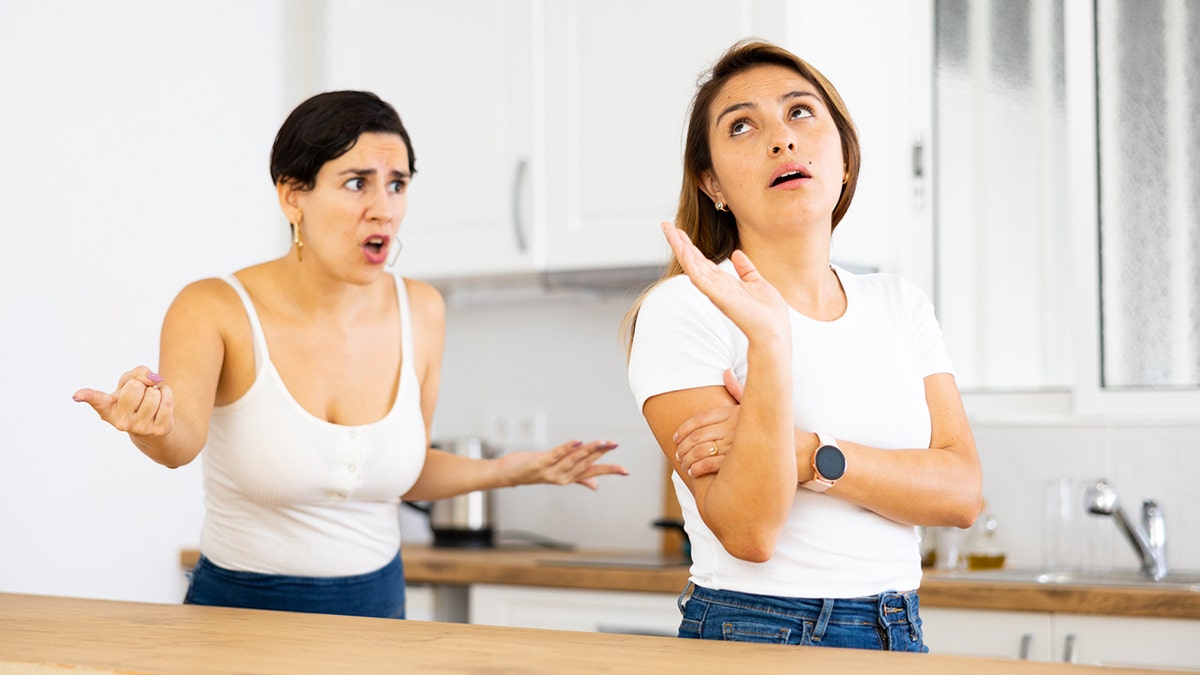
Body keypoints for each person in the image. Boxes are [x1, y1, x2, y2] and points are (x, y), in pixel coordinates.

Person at [74, 90, 626, 619]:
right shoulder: (214, 307)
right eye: (357, 182)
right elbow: (180, 442)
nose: (383, 208)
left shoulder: (423, 310)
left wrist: (510, 471)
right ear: (293, 195)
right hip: (238, 614)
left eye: (397, 184)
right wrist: (147, 425)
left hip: (377, 611)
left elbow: (404, 472)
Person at [625, 40, 981, 651]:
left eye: (800, 113)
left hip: (898, 627)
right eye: (742, 126)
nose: (781, 140)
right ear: (713, 184)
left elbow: (961, 493)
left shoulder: (901, 304)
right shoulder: (684, 308)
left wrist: (811, 455)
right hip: (755, 627)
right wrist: (769, 339)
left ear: (844, 158)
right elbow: (749, 530)